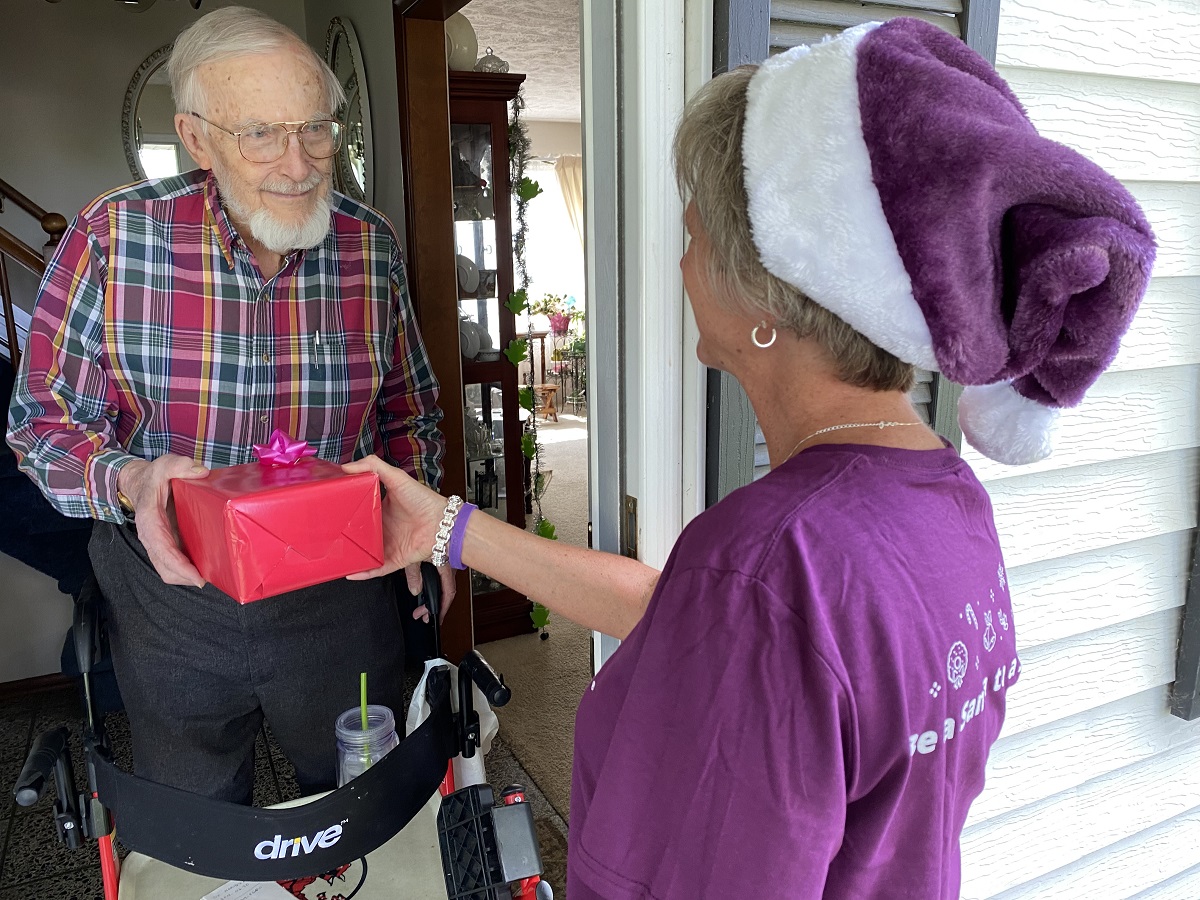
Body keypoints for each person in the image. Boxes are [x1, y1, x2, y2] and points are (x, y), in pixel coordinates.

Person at [345, 18, 1155, 898]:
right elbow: (689, 614)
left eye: (693, 236)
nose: (684, 263)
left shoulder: (767, 564)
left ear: (762, 288)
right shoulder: (945, 500)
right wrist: (448, 530)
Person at [7, 7, 448, 803]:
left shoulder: (368, 244)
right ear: (198, 139)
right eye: (261, 135)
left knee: (367, 797)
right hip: (169, 593)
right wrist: (131, 482)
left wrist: (426, 532)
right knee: (195, 818)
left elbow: (407, 411)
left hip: (338, 587)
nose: (301, 162)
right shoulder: (113, 238)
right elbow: (40, 425)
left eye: (318, 128)